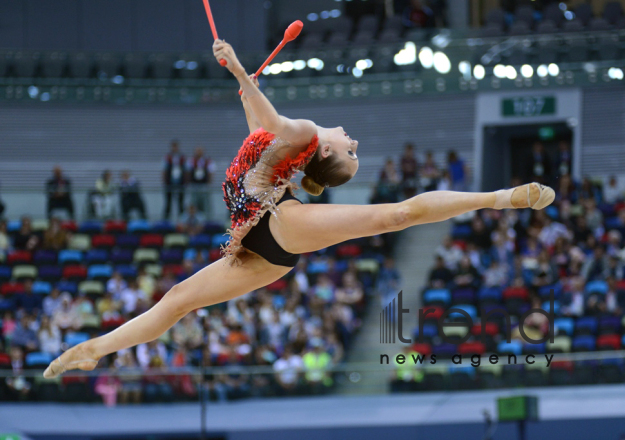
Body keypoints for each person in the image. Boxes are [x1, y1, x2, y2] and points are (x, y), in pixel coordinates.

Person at [43, 38, 555, 378]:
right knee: (178, 299)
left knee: (395, 215)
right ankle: (95, 349)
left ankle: (500, 198)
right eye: (354, 148)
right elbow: (259, 127)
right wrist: (243, 83)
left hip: (277, 225)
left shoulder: (307, 134)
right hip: (262, 251)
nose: (352, 139)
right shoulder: (282, 151)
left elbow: (272, 123)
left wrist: (241, 71)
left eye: (350, 149)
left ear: (326, 151)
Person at [187, 147, 216, 216]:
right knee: (194, 203)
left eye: (200, 151)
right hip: (195, 185)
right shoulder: (192, 161)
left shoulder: (207, 161)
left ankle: (206, 217)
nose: (199, 152)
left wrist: (209, 183)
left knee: (205, 203)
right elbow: (188, 172)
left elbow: (210, 172)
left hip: (204, 185)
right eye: (197, 151)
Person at [162, 140, 187, 219]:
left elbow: (186, 170)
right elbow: (164, 170)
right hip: (170, 182)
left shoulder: (182, 157)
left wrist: (185, 181)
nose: (175, 148)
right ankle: (166, 218)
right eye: (173, 147)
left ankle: (182, 219)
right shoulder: (167, 157)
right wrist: (165, 182)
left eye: (176, 147)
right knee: (168, 202)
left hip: (180, 182)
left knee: (181, 202)